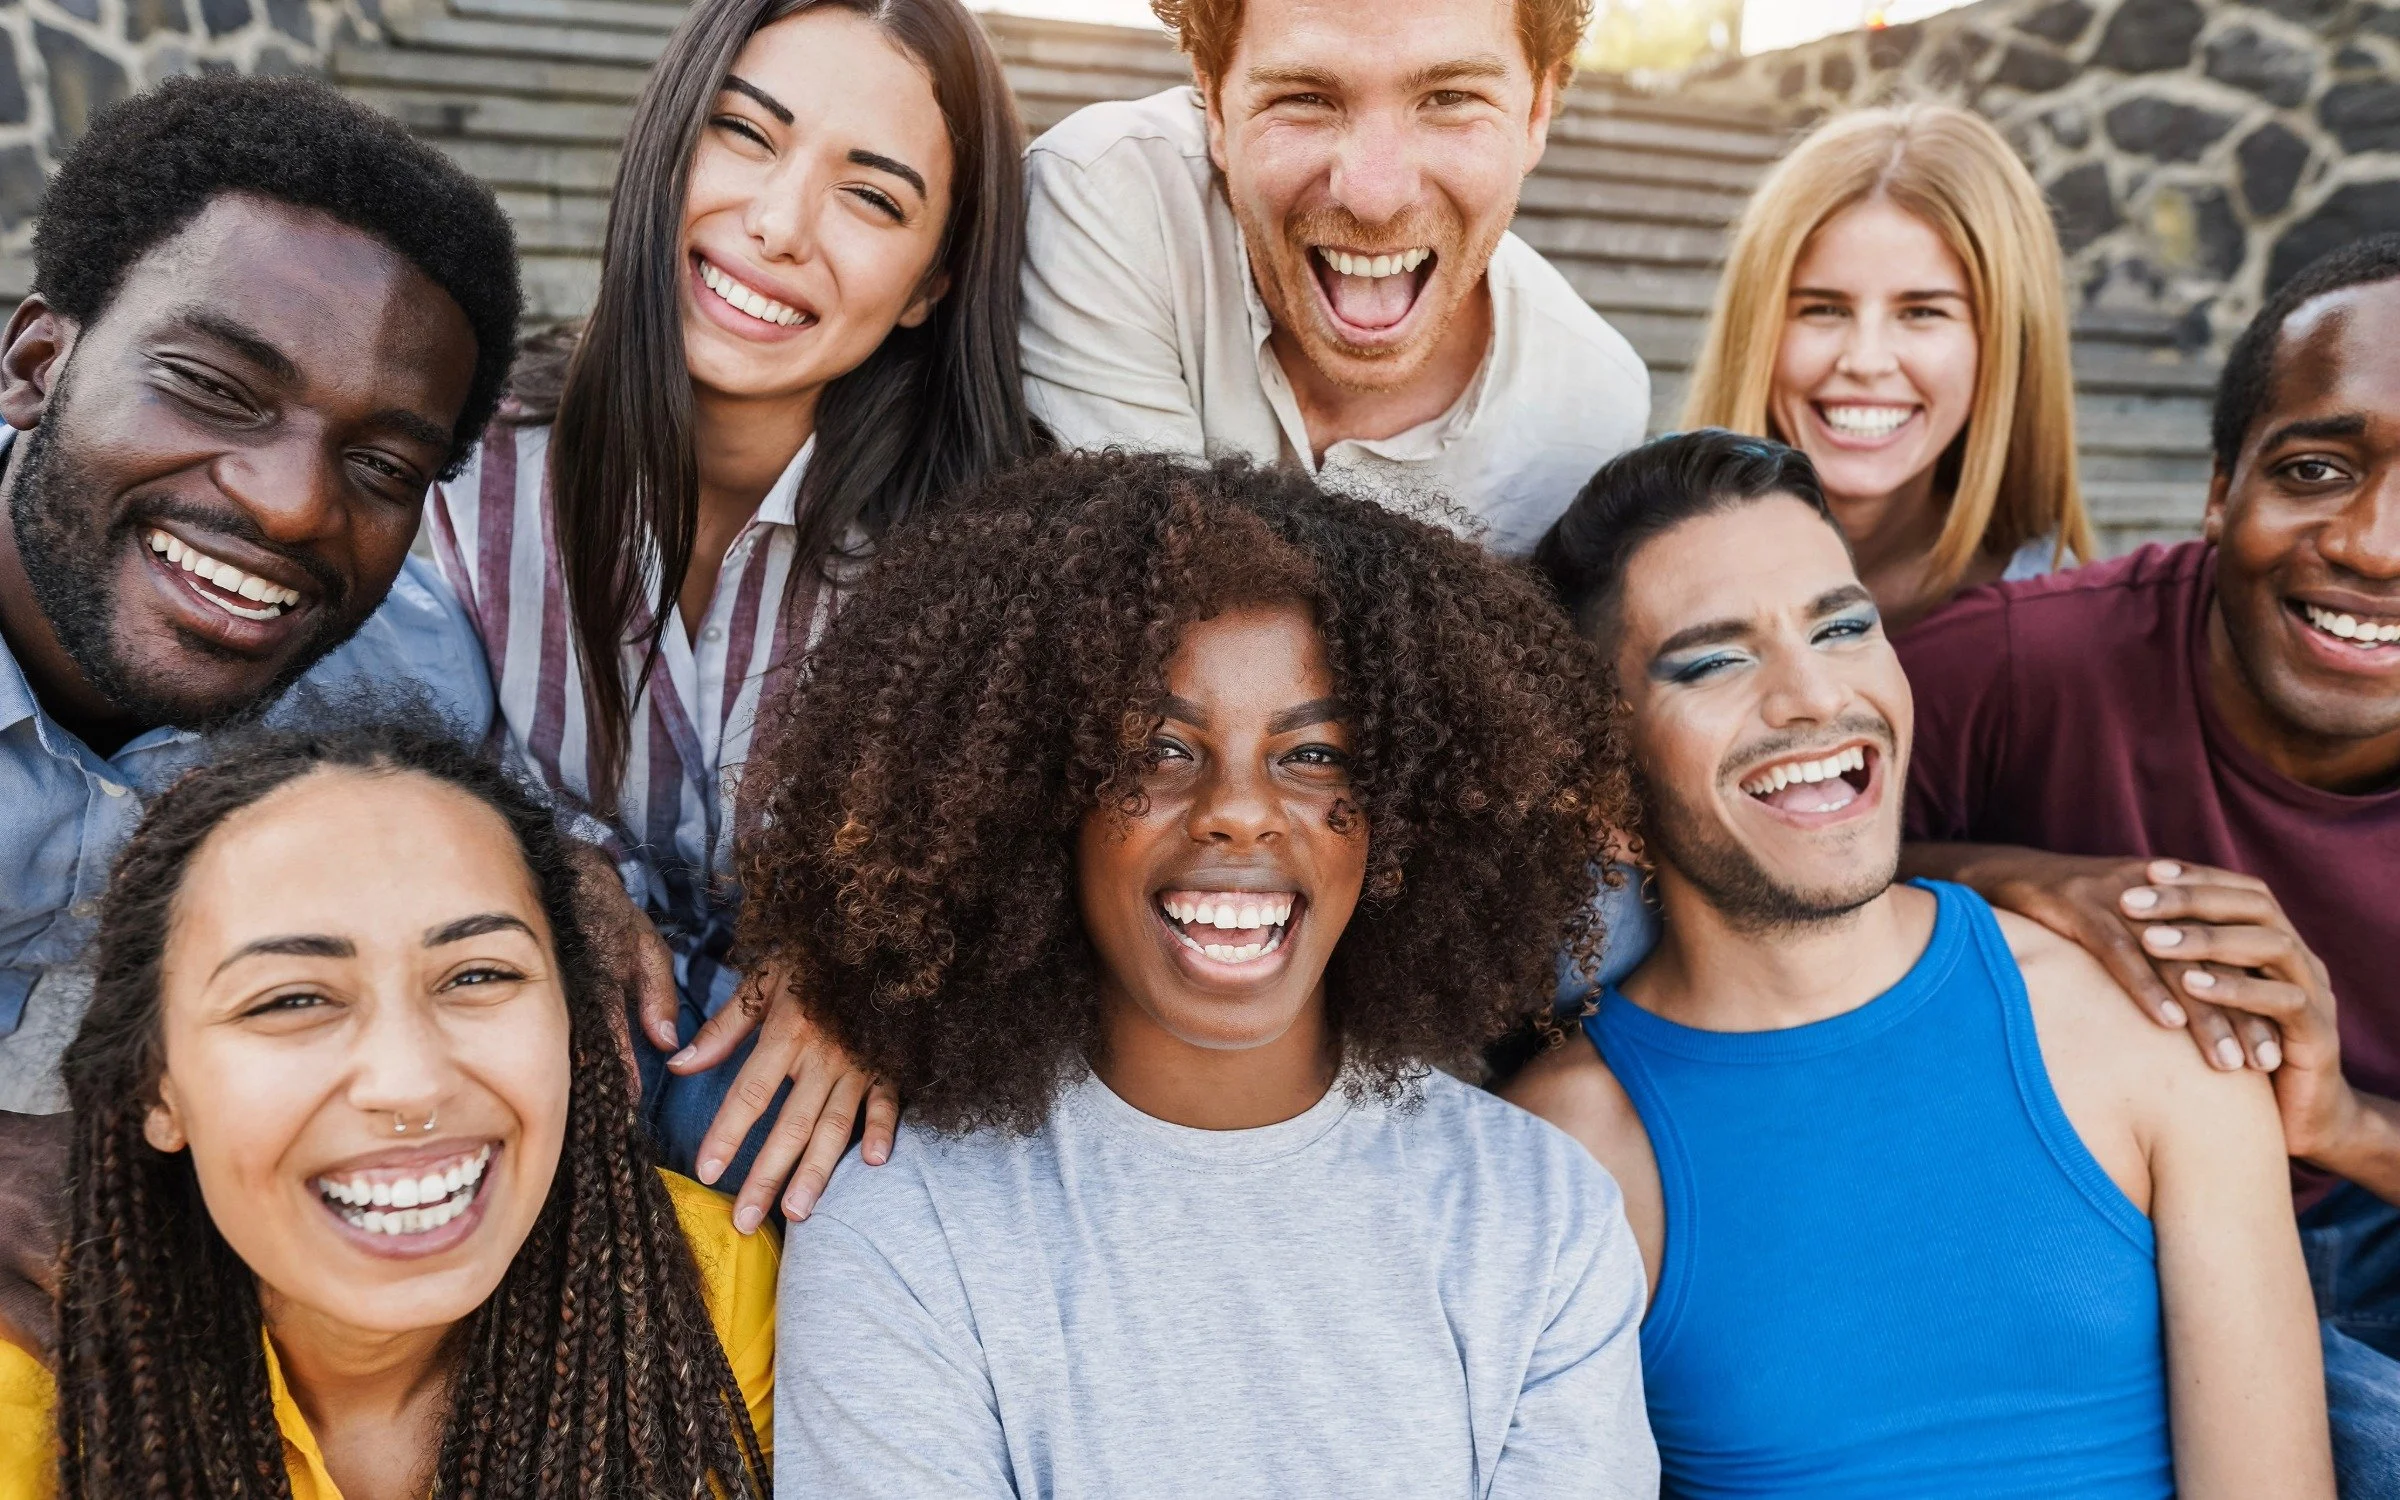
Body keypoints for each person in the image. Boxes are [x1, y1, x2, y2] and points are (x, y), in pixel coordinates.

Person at [748, 451, 1657, 1495]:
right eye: (1158, 751)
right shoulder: (904, 1229)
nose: (1240, 807)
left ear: (1406, 816)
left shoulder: (1535, 1217)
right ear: (1038, 798)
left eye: (1315, 757)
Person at [1513, 430, 2330, 1498]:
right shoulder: (1565, 1153)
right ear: (1604, 792)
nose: (1812, 696)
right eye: (1715, 660)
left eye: (1844, 627)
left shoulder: (2142, 1024)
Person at [431, 0, 1043, 1233]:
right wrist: (534, 863)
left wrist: (891, 959)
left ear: (929, 285)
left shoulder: (989, 556)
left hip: (819, 1141)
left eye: (873, 197)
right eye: (743, 136)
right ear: (666, 145)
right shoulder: (461, 468)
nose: (776, 224)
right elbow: (357, 778)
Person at [0, 74, 545, 1362]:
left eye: (382, 466)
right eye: (215, 387)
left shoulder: (402, 687)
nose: (295, 506)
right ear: (37, 364)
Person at [1899, 237, 2400, 1492]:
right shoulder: (2022, 666)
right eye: (2318, 469)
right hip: (2073, 1242)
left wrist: (2341, 1124)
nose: (2377, 544)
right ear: (2220, 490)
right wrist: (2012, 876)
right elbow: (1706, 863)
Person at [0, 722, 773, 1496]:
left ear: (576, 1027)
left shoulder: (709, 1292)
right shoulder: (20, 1398)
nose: (409, 1084)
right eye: (292, 998)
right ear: (158, 1090)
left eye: (477, 976)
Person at [1017, 0, 1647, 558]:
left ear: (1535, 114)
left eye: (1450, 98)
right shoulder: (1105, 194)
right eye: (1304, 98)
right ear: (1214, 108)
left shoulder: (1591, 405)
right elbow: (1141, 603)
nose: (1374, 196)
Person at [1682, 105, 2093, 629]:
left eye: (1922, 312)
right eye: (1823, 308)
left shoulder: (2056, 622)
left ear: (2009, 345)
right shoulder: (1632, 577)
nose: (1866, 361)